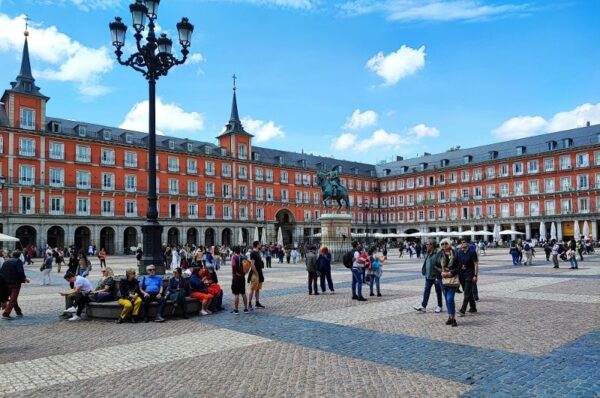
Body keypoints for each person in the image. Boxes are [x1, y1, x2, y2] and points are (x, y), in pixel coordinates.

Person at [435, 238, 460, 327]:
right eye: (442, 244)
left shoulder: (455, 253)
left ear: (449, 244)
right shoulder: (439, 254)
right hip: (442, 279)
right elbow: (435, 265)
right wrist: (441, 272)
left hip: (452, 279)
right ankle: (450, 317)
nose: (444, 245)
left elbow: (459, 266)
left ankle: (453, 318)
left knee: (450, 298)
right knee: (446, 299)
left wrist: (451, 272)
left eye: (446, 243)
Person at [413, 240, 443, 313]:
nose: (426, 245)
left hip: (436, 276)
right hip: (428, 276)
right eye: (426, 244)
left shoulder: (438, 253)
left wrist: (437, 276)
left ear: (432, 245)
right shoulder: (428, 252)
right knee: (426, 291)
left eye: (427, 244)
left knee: (438, 291)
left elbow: (440, 265)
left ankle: (439, 306)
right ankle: (423, 306)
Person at [0, 251, 29, 320]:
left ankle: (18, 312)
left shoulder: (6, 261)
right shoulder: (18, 261)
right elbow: (20, 272)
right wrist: (24, 278)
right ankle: (6, 313)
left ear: (12, 255)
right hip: (15, 283)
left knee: (13, 298)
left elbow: (1, 272)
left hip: (6, 283)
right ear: (19, 256)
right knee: (13, 298)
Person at [457, 239, 478, 317]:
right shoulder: (459, 252)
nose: (462, 244)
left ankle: (463, 310)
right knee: (468, 292)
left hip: (470, 274)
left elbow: (476, 264)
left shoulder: (472, 252)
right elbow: (458, 262)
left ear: (467, 243)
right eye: (461, 242)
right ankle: (473, 307)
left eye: (464, 242)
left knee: (466, 293)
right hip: (462, 275)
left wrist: (475, 275)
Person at [230, 246, 248, 314]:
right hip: (242, 277)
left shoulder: (234, 257)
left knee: (236, 294)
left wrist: (236, 273)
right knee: (243, 293)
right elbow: (247, 265)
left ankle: (236, 310)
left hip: (236, 277)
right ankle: (246, 309)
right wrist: (243, 273)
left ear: (234, 251)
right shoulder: (243, 256)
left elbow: (234, 265)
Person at [248, 241, 266, 310]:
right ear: (257, 245)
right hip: (255, 274)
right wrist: (256, 273)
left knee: (258, 289)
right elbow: (252, 264)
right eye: (260, 244)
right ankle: (249, 303)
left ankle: (257, 303)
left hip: (259, 273)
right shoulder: (253, 253)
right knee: (252, 289)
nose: (261, 245)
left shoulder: (258, 252)